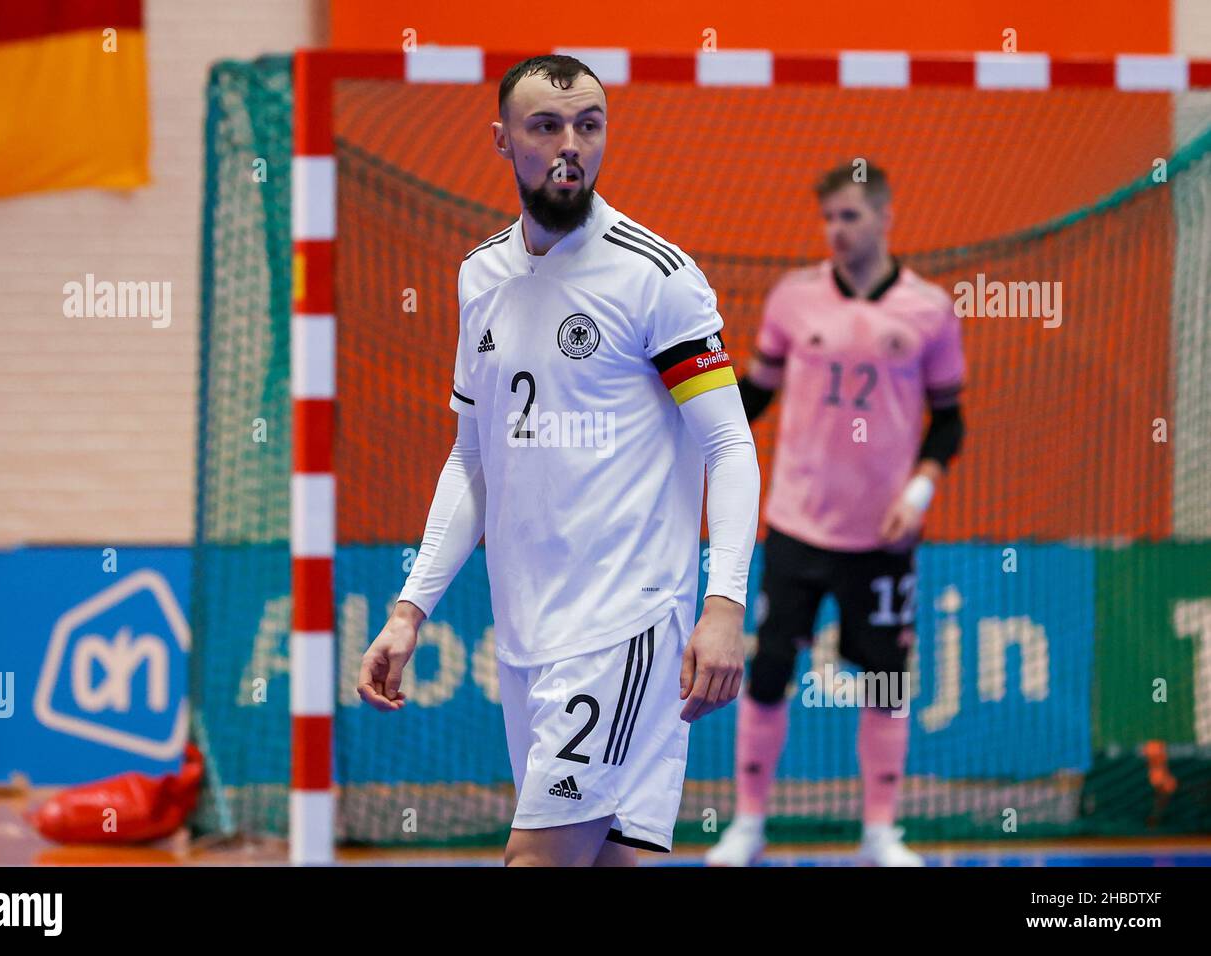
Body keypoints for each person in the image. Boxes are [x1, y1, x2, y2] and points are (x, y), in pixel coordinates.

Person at [357, 55, 761, 867]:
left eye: (589, 124)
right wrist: (410, 609)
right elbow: (471, 458)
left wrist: (724, 603)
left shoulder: (657, 276)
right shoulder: (481, 277)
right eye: (546, 126)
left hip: (626, 623)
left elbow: (730, 443)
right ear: (502, 140)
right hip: (526, 635)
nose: (570, 144)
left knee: (536, 861)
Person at [706, 162, 966, 867]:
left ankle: (880, 831)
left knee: (884, 679)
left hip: (881, 536)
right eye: (828, 218)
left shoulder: (929, 309)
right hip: (797, 525)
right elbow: (753, 393)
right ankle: (749, 823)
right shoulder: (793, 300)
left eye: (850, 216)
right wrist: (682, 421)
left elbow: (948, 422)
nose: (837, 230)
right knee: (765, 675)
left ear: (884, 216)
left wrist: (919, 491)